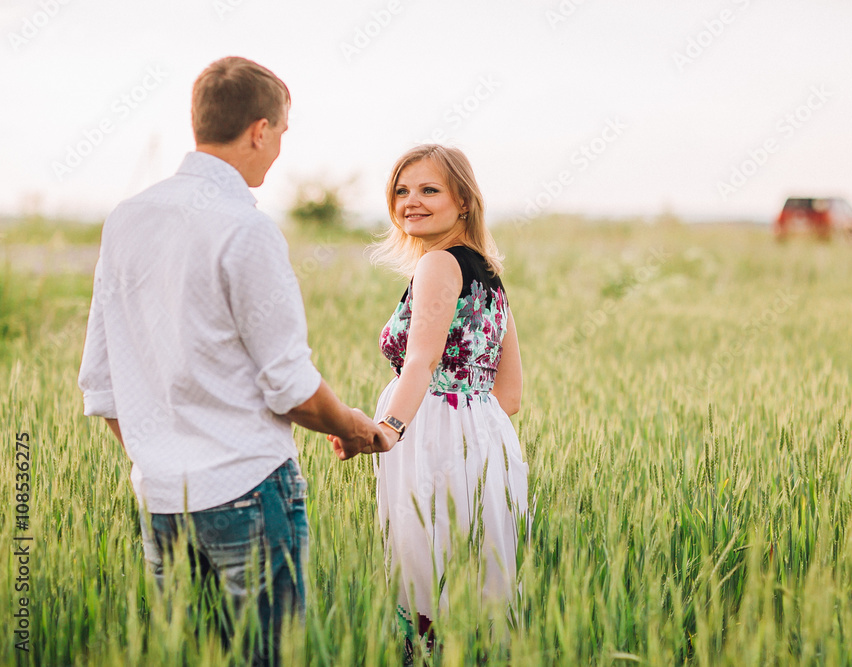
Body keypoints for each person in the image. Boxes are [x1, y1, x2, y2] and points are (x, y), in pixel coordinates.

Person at [77, 56, 389, 665]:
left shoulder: (127, 220)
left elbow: (102, 383)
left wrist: (165, 460)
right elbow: (293, 389)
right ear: (259, 129)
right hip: (250, 489)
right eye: (282, 133)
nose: (278, 151)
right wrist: (354, 427)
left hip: (161, 500)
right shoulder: (247, 230)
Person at [364, 144, 530, 654]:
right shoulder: (489, 273)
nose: (410, 201)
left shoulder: (438, 264)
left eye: (428, 189)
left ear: (463, 200)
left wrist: (389, 430)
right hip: (487, 441)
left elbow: (420, 363)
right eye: (401, 190)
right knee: (476, 577)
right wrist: (471, 437)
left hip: (426, 436)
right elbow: (511, 395)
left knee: (426, 579)